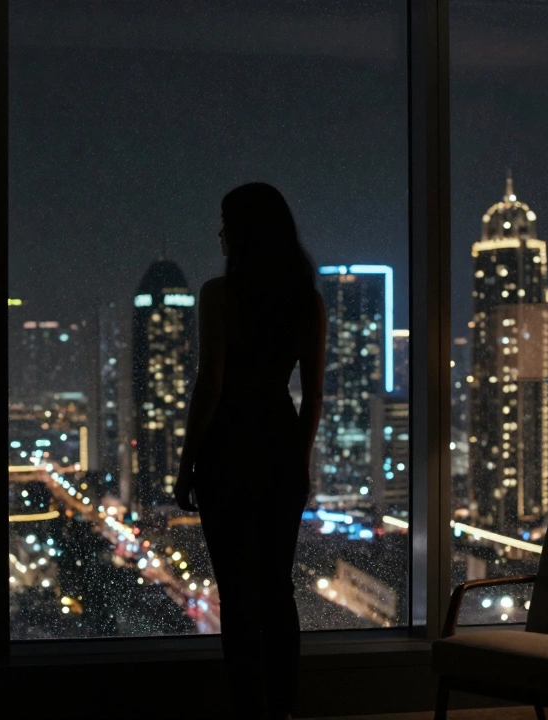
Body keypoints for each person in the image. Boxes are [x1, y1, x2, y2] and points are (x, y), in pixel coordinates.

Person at [174, 182, 326, 720]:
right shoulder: (307, 301)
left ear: (243, 231)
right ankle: (283, 709)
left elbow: (209, 385)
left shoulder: (218, 294)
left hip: (228, 448)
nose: (219, 232)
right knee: (277, 590)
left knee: (238, 596)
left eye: (225, 222)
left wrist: (186, 461)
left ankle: (250, 712)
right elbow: (313, 396)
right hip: (281, 445)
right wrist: (301, 462)